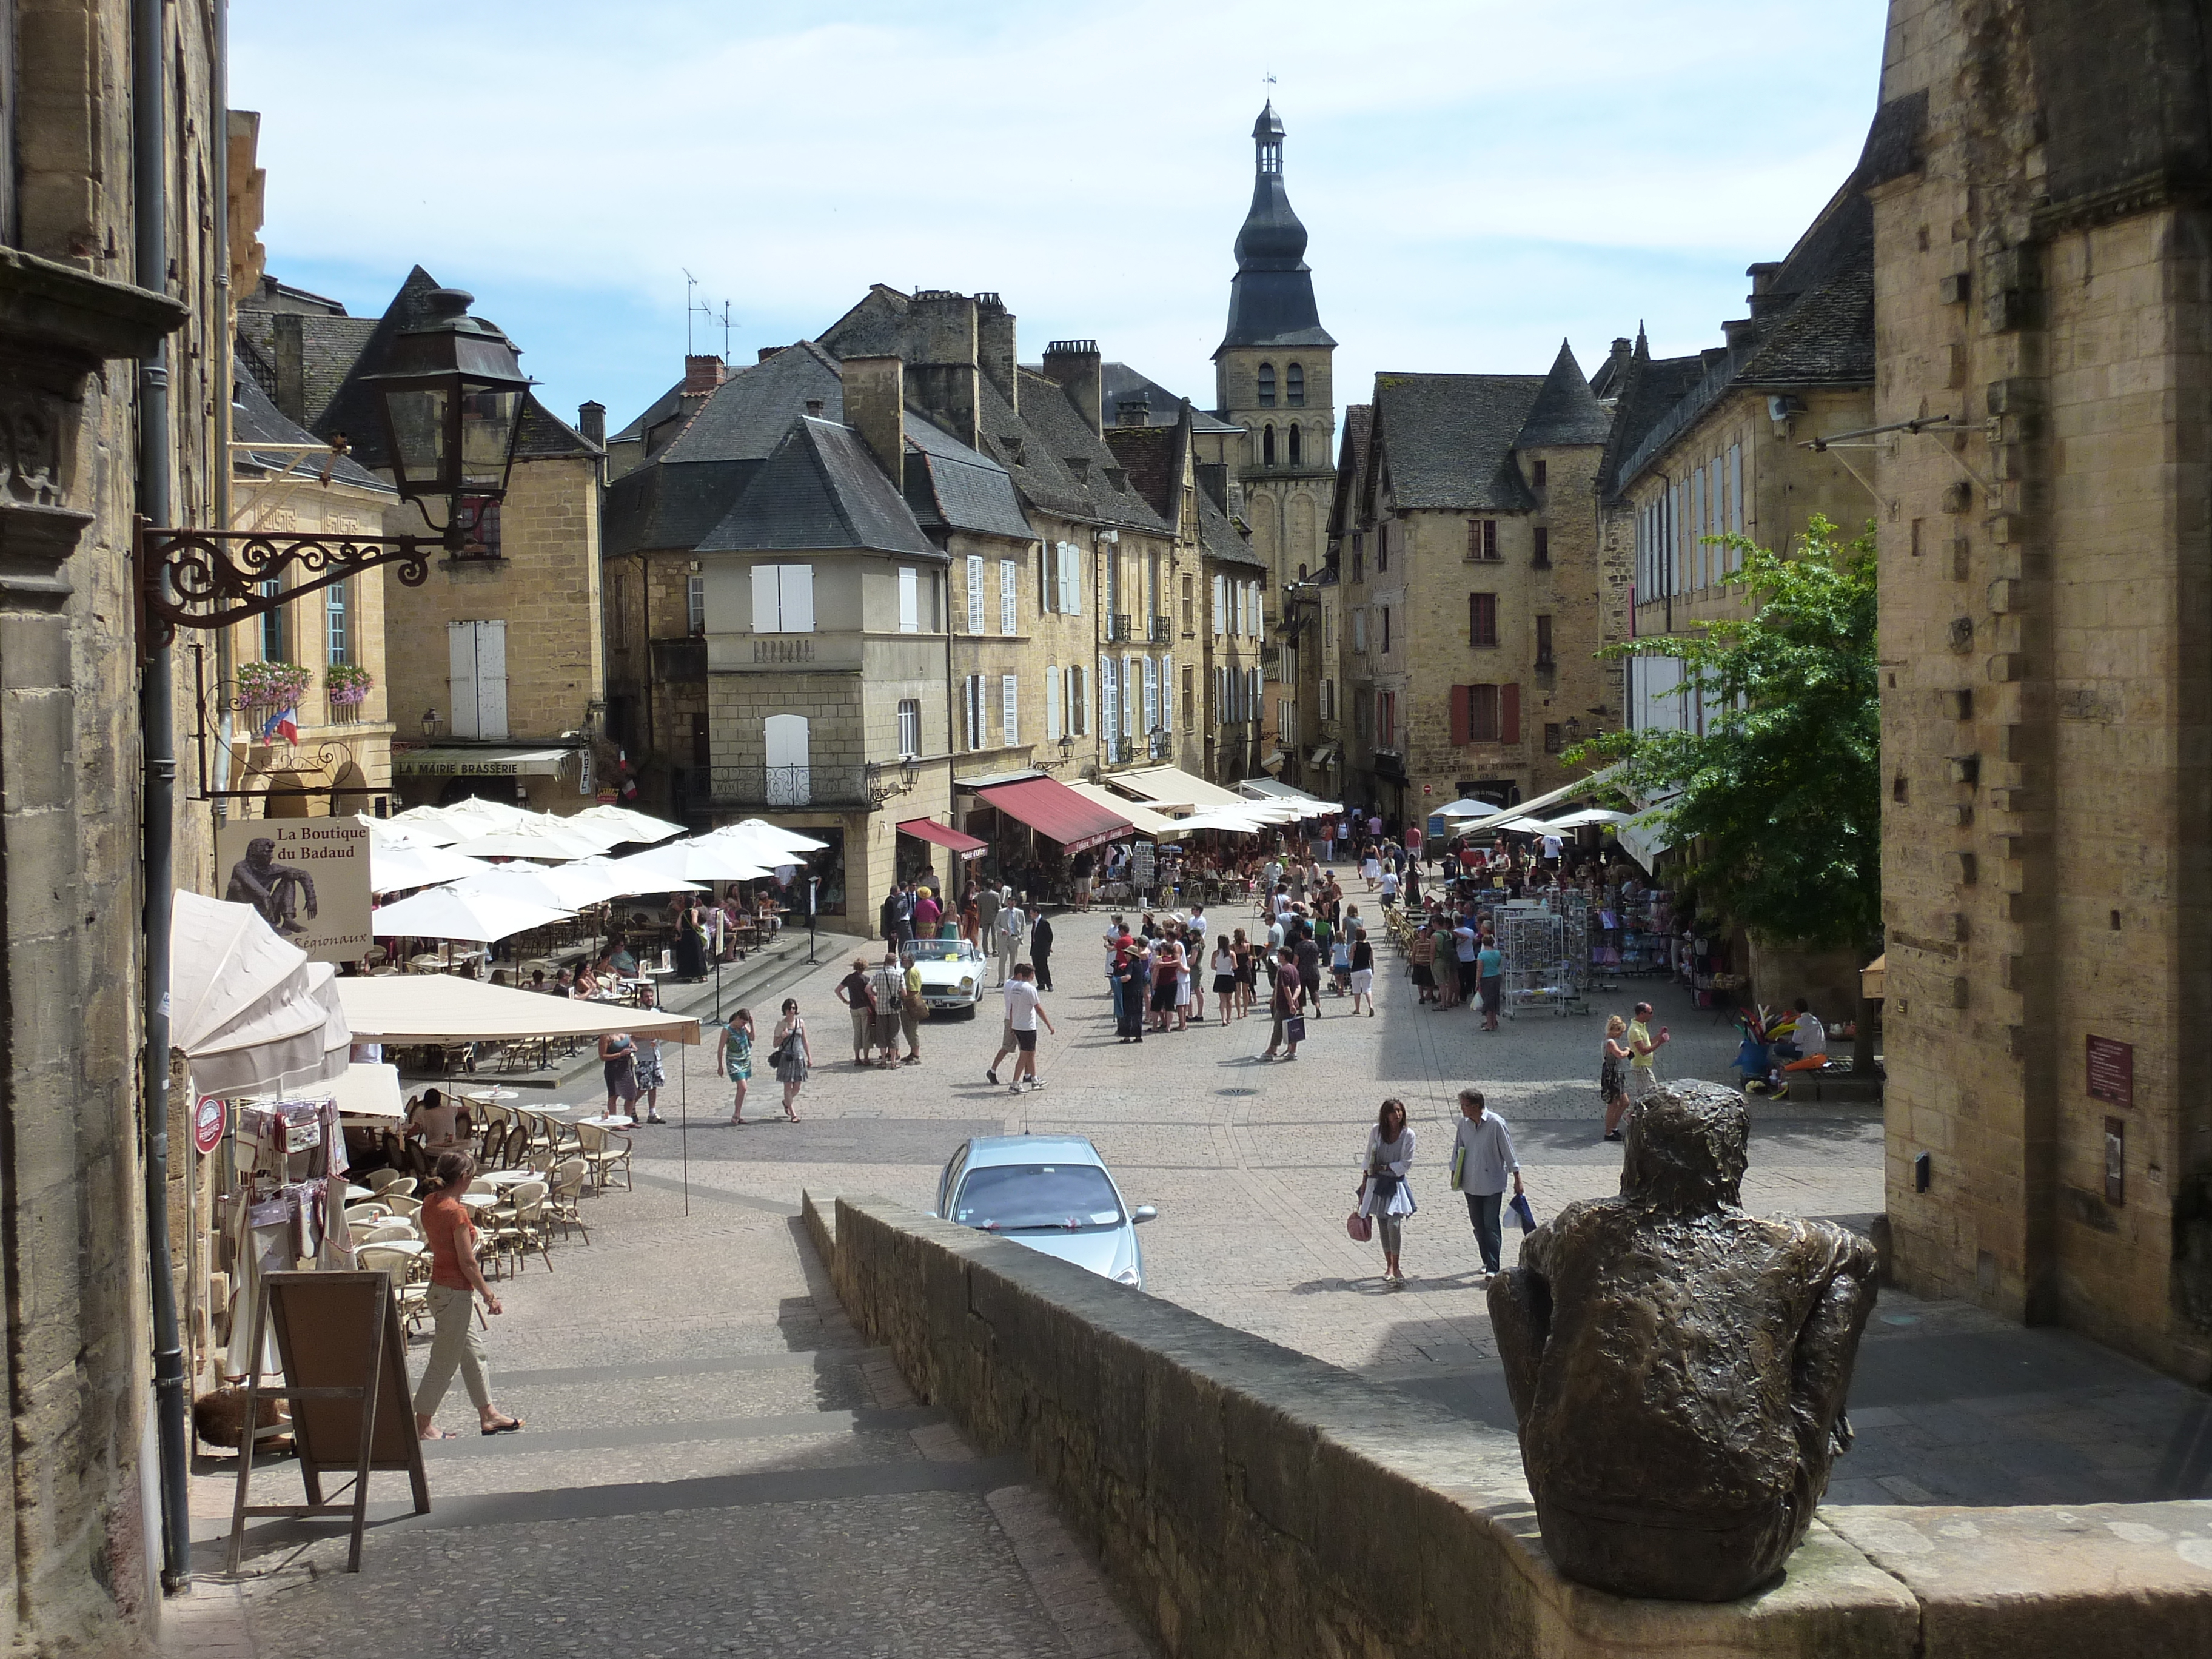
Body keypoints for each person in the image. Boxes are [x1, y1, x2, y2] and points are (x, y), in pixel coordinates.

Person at [412, 1150, 523, 1440]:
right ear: (464, 1178)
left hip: (439, 1289)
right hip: (454, 1293)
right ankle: (422, 1425)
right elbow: (467, 1261)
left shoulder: (430, 1202)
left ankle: (489, 1414)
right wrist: (489, 1295)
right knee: (444, 1363)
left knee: (474, 1354)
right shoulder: (456, 1212)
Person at [1450, 1088, 1523, 1278]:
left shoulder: (1496, 1124)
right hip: (1470, 1183)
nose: (1462, 1109)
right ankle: (1485, 1259)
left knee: (1491, 1224)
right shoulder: (1463, 1125)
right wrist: (1454, 1173)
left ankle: (1493, 1266)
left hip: (1492, 1184)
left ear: (1476, 1106)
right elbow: (1458, 1149)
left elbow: (1509, 1152)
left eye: (1465, 1106)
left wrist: (1517, 1179)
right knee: (1478, 1225)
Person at [1358, 1099, 1418, 1285]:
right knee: (1383, 1224)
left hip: (1395, 1184)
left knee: (1395, 1224)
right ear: (1386, 1115)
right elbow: (1369, 1156)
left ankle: (1397, 1265)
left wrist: (1384, 1167)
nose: (1397, 1115)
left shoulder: (1408, 1135)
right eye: (1393, 1112)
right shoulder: (1376, 1131)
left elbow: (1405, 1164)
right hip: (1377, 1183)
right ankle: (1389, 1265)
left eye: (1399, 1111)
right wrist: (1365, 1180)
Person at [1002, 962, 1054, 1092]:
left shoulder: (1014, 988)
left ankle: (1035, 1080)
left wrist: (1013, 1025)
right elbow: (1039, 1009)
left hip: (1018, 1025)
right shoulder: (1030, 989)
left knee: (1031, 1053)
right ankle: (1015, 1083)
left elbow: (1012, 1008)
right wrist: (1049, 1025)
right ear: (1031, 975)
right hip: (1027, 1027)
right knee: (1025, 1055)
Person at [631, 984, 668, 1124]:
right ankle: (631, 1105)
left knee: (655, 1084)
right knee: (644, 1085)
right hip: (642, 1056)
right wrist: (646, 1037)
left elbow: (660, 1031)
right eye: (646, 997)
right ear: (641, 999)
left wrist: (656, 1038)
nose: (650, 999)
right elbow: (632, 1036)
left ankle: (652, 1112)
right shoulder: (637, 1015)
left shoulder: (656, 1013)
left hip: (655, 1054)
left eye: (651, 996)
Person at [771, 998, 811, 1120]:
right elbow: (775, 1044)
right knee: (788, 1086)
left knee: (797, 1086)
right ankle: (793, 1114)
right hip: (786, 1058)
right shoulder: (781, 1025)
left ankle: (786, 1102)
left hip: (799, 1057)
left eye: (793, 1008)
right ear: (785, 1010)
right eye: (789, 1008)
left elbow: (804, 1040)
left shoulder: (800, 1023)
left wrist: (809, 1057)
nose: (791, 1011)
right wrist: (782, 1037)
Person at [1261, 947, 1302, 1061]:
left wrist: (1290, 1004)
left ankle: (1270, 1051)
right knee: (1293, 1028)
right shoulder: (1294, 969)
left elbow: (1286, 988)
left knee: (1278, 1028)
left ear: (1283, 957)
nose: (1278, 957)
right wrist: (1294, 999)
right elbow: (1299, 987)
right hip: (1293, 1003)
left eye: (1279, 955)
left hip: (1283, 1005)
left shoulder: (1283, 971)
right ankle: (1292, 1051)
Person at [834, 955, 877, 1066]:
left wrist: (845, 1001)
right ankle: (866, 1058)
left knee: (857, 1032)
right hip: (864, 1007)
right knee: (866, 1032)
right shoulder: (865, 979)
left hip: (853, 1008)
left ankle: (857, 1058)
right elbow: (870, 994)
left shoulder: (849, 978)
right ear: (864, 968)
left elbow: (838, 990)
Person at [1627, 1002, 1671, 1105]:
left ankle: (1632, 1115)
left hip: (1644, 1066)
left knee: (1643, 1094)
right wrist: (1660, 1042)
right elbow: (1643, 1051)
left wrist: (1659, 1036)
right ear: (1642, 1014)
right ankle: (1635, 1115)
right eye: (1650, 1013)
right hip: (1641, 1066)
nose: (1652, 1015)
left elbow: (1648, 1042)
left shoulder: (1641, 1026)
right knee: (1651, 1093)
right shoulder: (1635, 1030)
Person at [869, 951, 906, 1070]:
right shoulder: (899, 975)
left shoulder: (878, 974)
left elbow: (867, 988)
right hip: (894, 1010)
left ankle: (883, 1061)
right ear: (895, 962)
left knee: (882, 1034)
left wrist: (875, 994)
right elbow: (904, 993)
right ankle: (894, 1062)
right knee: (893, 1034)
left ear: (885, 962)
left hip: (881, 1009)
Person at [719, 1007, 755, 1123]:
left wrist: (751, 1026)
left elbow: (752, 1038)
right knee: (743, 1087)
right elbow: (720, 1049)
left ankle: (738, 1114)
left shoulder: (744, 1027)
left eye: (746, 1023)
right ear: (738, 1018)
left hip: (745, 1060)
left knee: (741, 1090)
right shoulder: (727, 1030)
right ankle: (736, 1114)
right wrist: (720, 1066)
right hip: (734, 1062)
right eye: (743, 1022)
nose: (743, 1024)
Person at [1600, 1014, 1633, 1141]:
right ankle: (1609, 1132)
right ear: (1615, 1030)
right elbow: (1620, 1055)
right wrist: (1627, 1051)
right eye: (1621, 1032)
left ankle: (1613, 1127)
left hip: (1616, 1074)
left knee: (1624, 1102)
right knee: (1613, 1105)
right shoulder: (1610, 1042)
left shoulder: (1608, 1041)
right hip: (1612, 1076)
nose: (1621, 1035)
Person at [404, 1087, 463, 1151]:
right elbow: (467, 1109)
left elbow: (413, 1131)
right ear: (440, 1100)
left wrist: (404, 1138)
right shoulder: (450, 1110)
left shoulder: (424, 1115)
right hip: (452, 1149)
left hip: (433, 1150)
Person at [598, 1030, 640, 1121]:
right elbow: (602, 1056)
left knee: (631, 1094)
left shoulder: (625, 1033)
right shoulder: (606, 1036)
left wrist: (633, 1048)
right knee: (614, 1095)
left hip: (626, 1066)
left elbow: (631, 1043)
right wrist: (619, 1054)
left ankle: (628, 1119)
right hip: (613, 1068)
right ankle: (614, 1121)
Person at [1113, 937, 1148, 1043]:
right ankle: (1138, 1036)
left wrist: (1117, 981)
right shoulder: (1139, 964)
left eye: (1127, 954)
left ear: (1132, 955)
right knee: (1137, 1015)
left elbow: (1128, 977)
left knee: (1128, 1015)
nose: (1125, 956)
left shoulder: (1131, 965)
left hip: (1130, 993)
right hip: (1139, 992)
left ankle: (1127, 1036)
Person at [1781, 997, 1829, 1073]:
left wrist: (1787, 1043)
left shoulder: (1800, 1020)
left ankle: (1798, 1059)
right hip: (1820, 1051)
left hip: (1806, 1053)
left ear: (1795, 1010)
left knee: (1778, 1048)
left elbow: (1796, 1041)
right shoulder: (1814, 1019)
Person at [898, 948, 925, 1065]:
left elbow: (913, 991)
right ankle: (912, 1052)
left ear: (910, 960)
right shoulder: (909, 971)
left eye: (904, 960)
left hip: (911, 1005)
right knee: (907, 1030)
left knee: (912, 1030)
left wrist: (901, 995)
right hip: (908, 1005)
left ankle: (916, 1054)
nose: (902, 962)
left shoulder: (912, 972)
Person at [997, 892, 1028, 985]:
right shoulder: (1001, 912)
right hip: (1003, 938)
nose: (1011, 906)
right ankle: (1001, 980)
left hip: (1014, 938)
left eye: (1013, 904)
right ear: (1007, 903)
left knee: (1013, 960)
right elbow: (996, 924)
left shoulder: (1020, 913)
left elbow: (1023, 925)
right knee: (1002, 959)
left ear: (1015, 903)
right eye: (1009, 904)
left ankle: (1011, 979)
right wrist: (1001, 930)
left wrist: (1020, 937)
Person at [1477, 933, 1504, 1032]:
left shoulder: (1482, 955)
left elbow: (1480, 970)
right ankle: (1494, 1021)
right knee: (1494, 1000)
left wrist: (1477, 982)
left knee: (1488, 1002)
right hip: (1496, 977)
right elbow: (1498, 964)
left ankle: (1489, 1024)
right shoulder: (1497, 953)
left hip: (1486, 978)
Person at [1408, 923, 1439, 1005]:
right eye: (1422, 933)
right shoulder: (1416, 943)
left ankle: (1430, 994)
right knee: (1420, 982)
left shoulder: (1430, 942)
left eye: (1425, 932)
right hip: (1419, 964)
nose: (1424, 934)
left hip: (1428, 964)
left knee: (1430, 982)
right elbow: (1414, 953)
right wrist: (1413, 962)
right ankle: (1422, 997)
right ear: (1419, 934)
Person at [1211, 936, 1238, 1027]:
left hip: (1220, 976)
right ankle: (1229, 1018)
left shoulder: (1216, 953)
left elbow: (1212, 966)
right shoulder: (1231, 954)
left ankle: (1223, 1019)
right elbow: (1235, 967)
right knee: (1229, 1000)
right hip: (1229, 976)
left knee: (1222, 1000)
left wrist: (1219, 969)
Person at [1349, 927, 1376, 1017]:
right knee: (1367, 989)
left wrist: (1350, 953)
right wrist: (1373, 969)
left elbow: (1351, 958)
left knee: (1356, 991)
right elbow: (1371, 959)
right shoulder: (1369, 945)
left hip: (1356, 969)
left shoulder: (1354, 945)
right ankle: (1371, 1006)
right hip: (1367, 969)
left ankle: (1357, 1009)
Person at [1029, 910, 1055, 991]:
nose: (1030, 915)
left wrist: (1048, 947)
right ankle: (1041, 984)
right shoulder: (1034, 922)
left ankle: (1049, 984)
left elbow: (1050, 936)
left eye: (1031, 913)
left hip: (1042, 949)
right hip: (1035, 948)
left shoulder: (1044, 923)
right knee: (1036, 966)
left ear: (1036, 913)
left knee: (1044, 967)